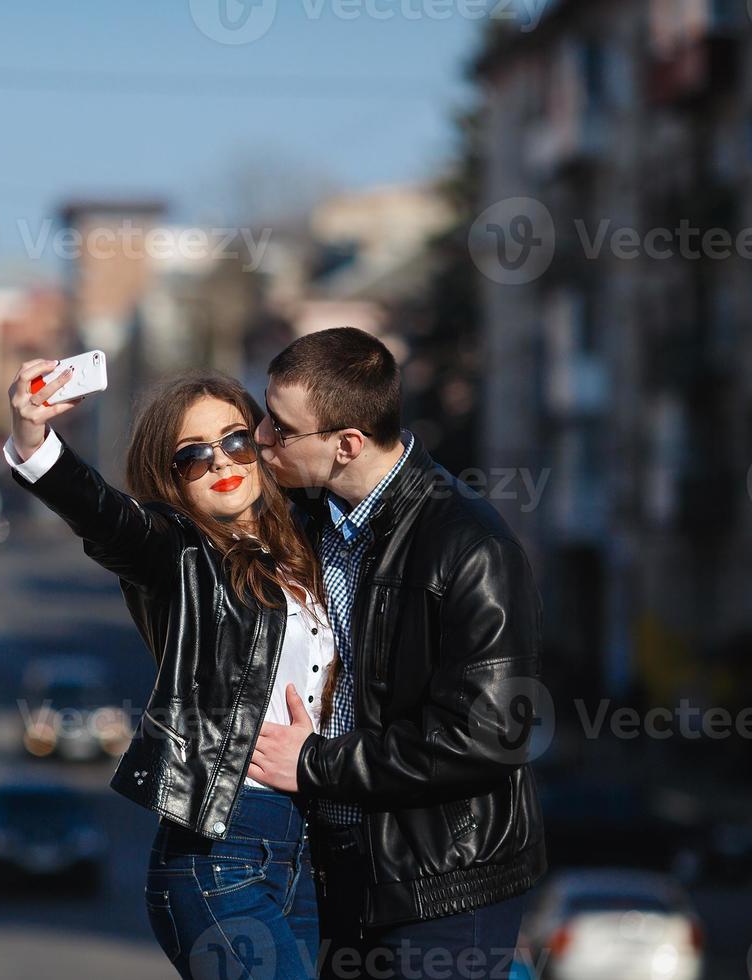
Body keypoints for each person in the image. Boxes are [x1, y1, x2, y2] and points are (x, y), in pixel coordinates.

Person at [6, 363, 334, 979]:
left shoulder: (312, 547)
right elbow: (108, 518)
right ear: (172, 479)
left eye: (236, 440)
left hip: (311, 851)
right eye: (194, 456)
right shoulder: (179, 556)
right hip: (219, 852)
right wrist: (34, 442)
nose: (221, 463)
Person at [243, 327, 546, 980]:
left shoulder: (469, 547)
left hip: (442, 883)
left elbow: (486, 738)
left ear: (345, 444)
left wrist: (315, 764)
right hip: (334, 871)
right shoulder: (308, 520)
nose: (262, 436)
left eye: (280, 426)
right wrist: (39, 453)